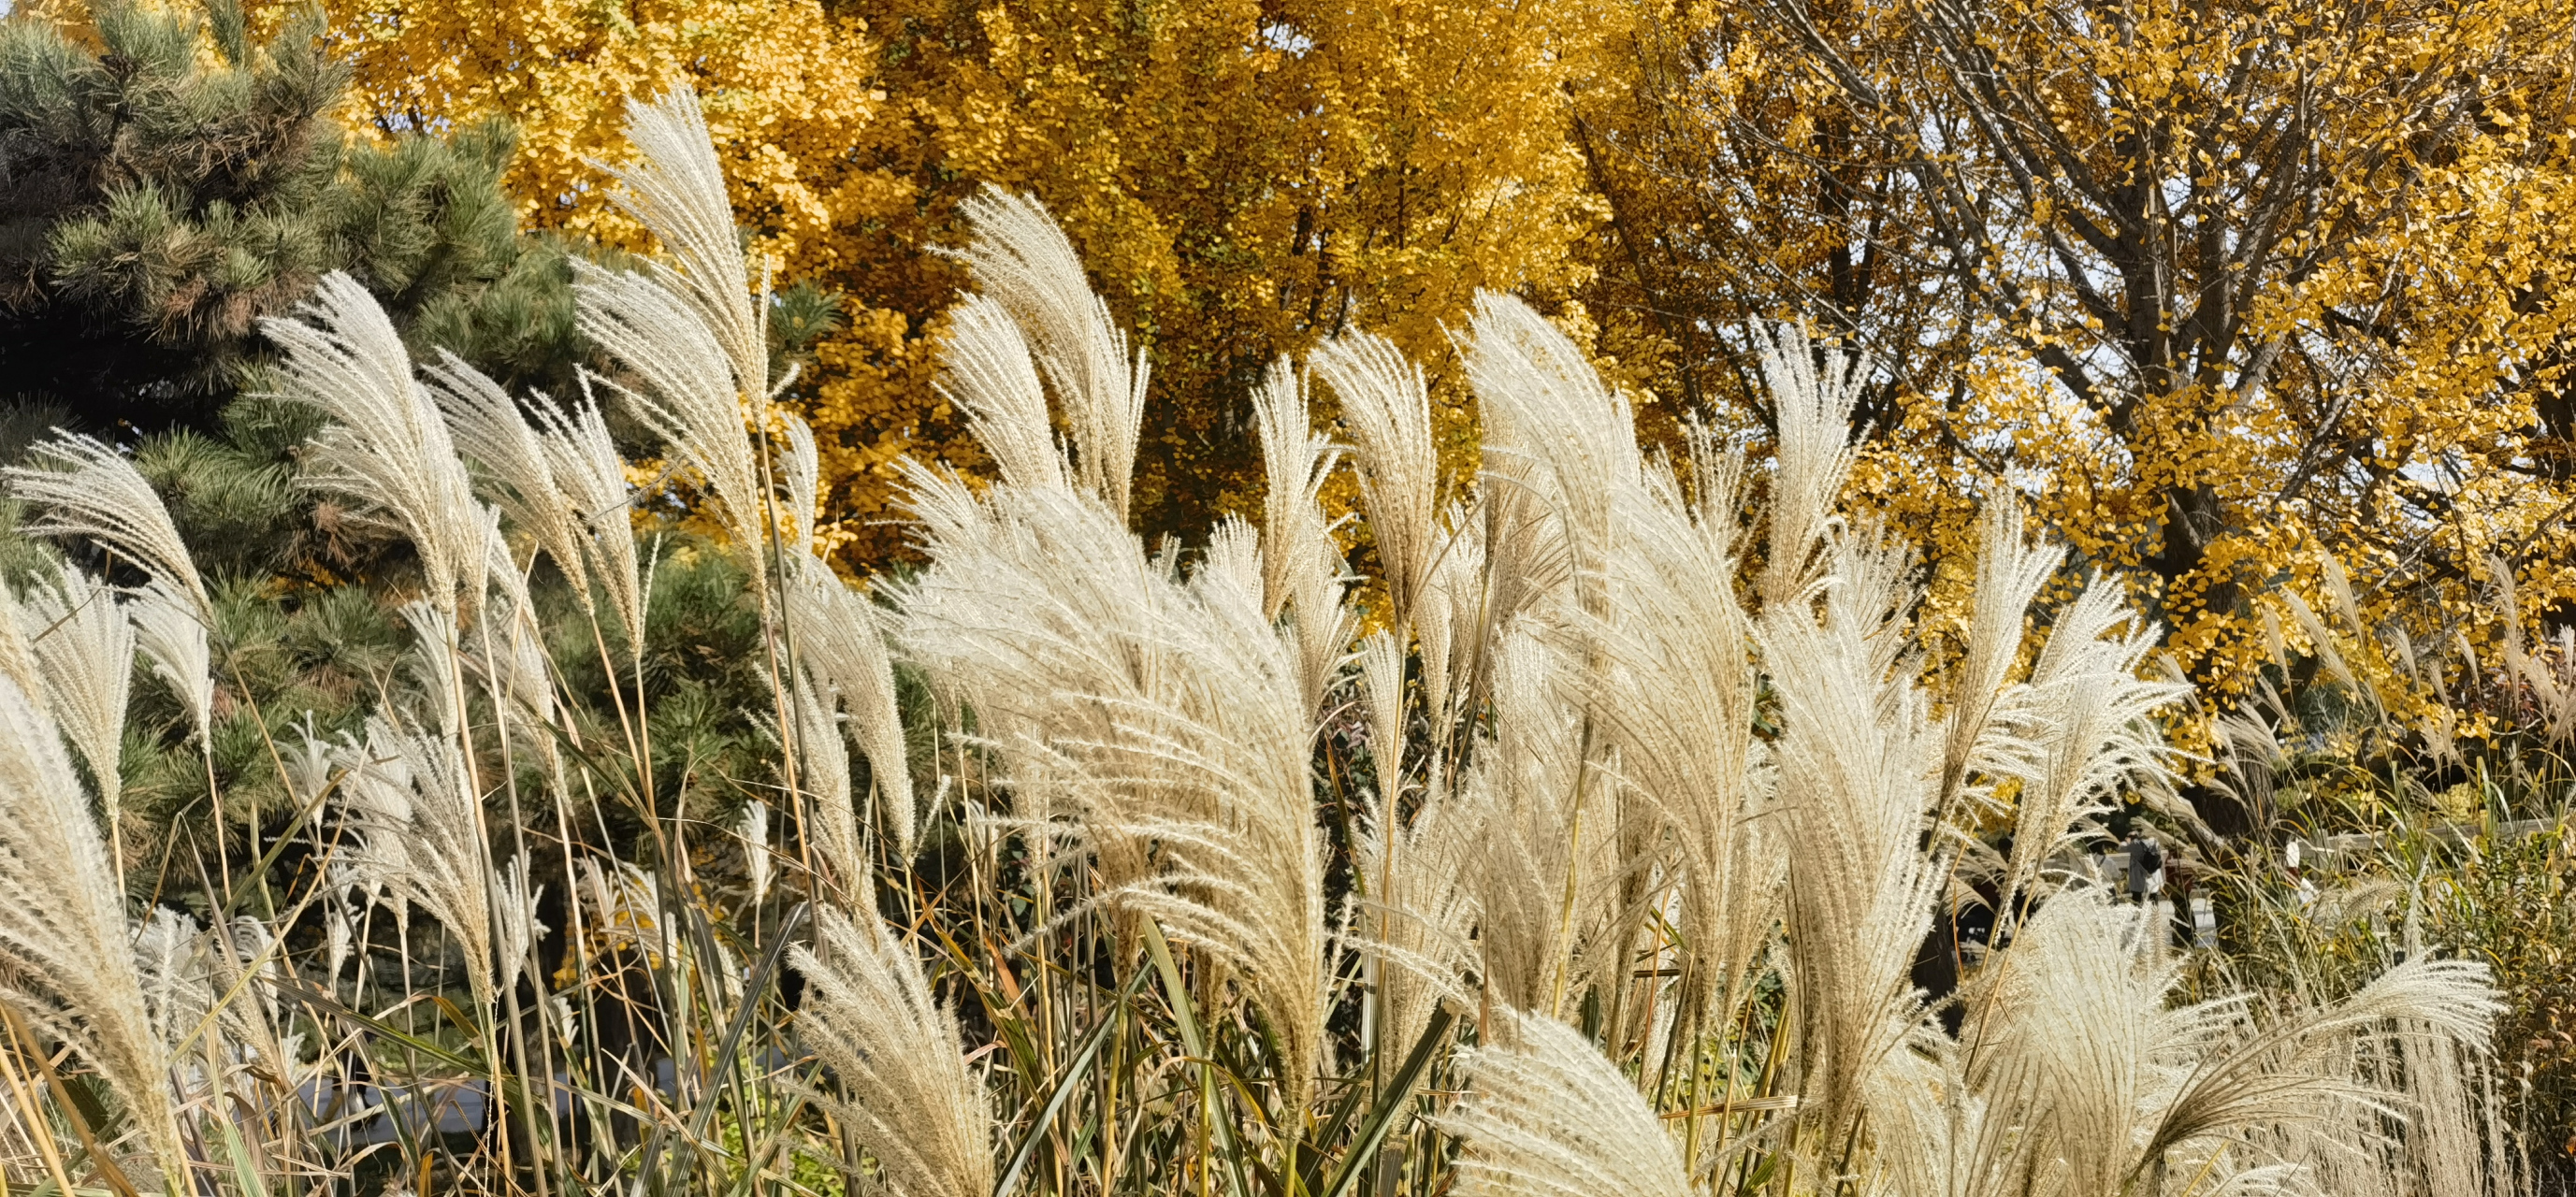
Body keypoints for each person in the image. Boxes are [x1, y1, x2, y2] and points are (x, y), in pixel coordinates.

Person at [2124, 829, 2164, 904]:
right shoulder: (2155, 842)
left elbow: (2137, 860)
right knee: (2153, 894)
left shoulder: (2136, 844)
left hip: (2140, 873)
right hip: (2152, 872)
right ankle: (2154, 910)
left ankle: (2138, 910)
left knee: (2137, 894)